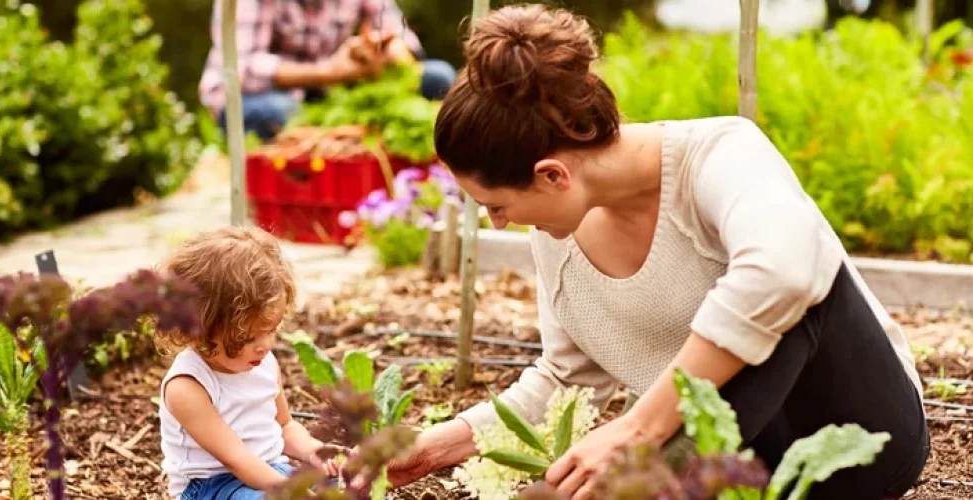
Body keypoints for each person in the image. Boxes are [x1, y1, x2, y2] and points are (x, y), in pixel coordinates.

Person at [383, 4, 931, 499]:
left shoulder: (721, 154)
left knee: (792, 278)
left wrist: (638, 428)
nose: (495, 219)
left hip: (861, 444)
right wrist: (438, 443)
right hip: (731, 471)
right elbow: (566, 378)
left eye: (496, 205)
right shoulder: (556, 230)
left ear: (552, 174)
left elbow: (785, 273)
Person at [157, 226, 341, 499]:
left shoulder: (264, 363)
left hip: (270, 471)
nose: (265, 345)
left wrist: (313, 451)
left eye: (271, 330)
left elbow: (284, 427)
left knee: (349, 485)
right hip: (211, 487)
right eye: (246, 337)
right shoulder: (187, 386)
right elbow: (238, 460)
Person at [198, 0, 457, 140]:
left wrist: (384, 50)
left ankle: (345, 134)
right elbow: (240, 69)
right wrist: (330, 72)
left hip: (333, 91)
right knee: (281, 112)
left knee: (439, 78)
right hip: (257, 97)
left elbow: (398, 32)